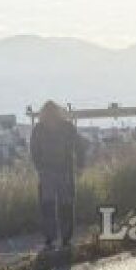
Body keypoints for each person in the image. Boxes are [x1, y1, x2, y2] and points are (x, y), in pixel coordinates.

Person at [29, 101, 86, 249]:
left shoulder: (45, 128)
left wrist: (39, 168)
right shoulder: (46, 128)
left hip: (58, 171)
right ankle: (60, 238)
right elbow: (80, 147)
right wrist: (80, 165)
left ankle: (55, 239)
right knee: (59, 205)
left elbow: (34, 151)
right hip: (56, 172)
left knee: (55, 205)